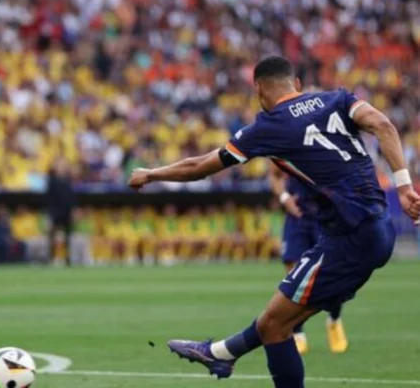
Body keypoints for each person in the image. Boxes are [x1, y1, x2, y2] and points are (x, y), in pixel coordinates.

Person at [128, 56, 420, 388]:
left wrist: (152, 173)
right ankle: (221, 353)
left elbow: (200, 166)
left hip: (351, 236)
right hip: (377, 226)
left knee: (275, 327)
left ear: (258, 89)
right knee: (275, 324)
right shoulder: (336, 99)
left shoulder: (269, 125)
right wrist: (405, 186)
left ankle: (219, 354)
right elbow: (383, 125)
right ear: (296, 84)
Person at [269, 165, 347, 354]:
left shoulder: (326, 141)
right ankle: (298, 332)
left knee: (332, 273)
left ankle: (334, 320)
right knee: (293, 274)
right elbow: (274, 174)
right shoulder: (287, 142)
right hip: (297, 215)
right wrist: (284, 198)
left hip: (325, 216)